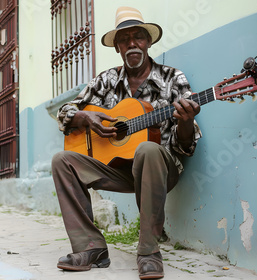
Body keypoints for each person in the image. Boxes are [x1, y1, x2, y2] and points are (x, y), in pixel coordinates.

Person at [51, 6, 202, 279]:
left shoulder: (173, 78)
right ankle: (91, 248)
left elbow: (186, 148)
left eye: (138, 37)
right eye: (124, 39)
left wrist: (186, 121)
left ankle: (148, 252)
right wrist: (85, 116)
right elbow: (64, 114)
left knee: (147, 148)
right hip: (118, 170)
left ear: (149, 41)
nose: (132, 43)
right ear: (118, 47)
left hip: (160, 169)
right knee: (62, 161)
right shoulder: (106, 81)